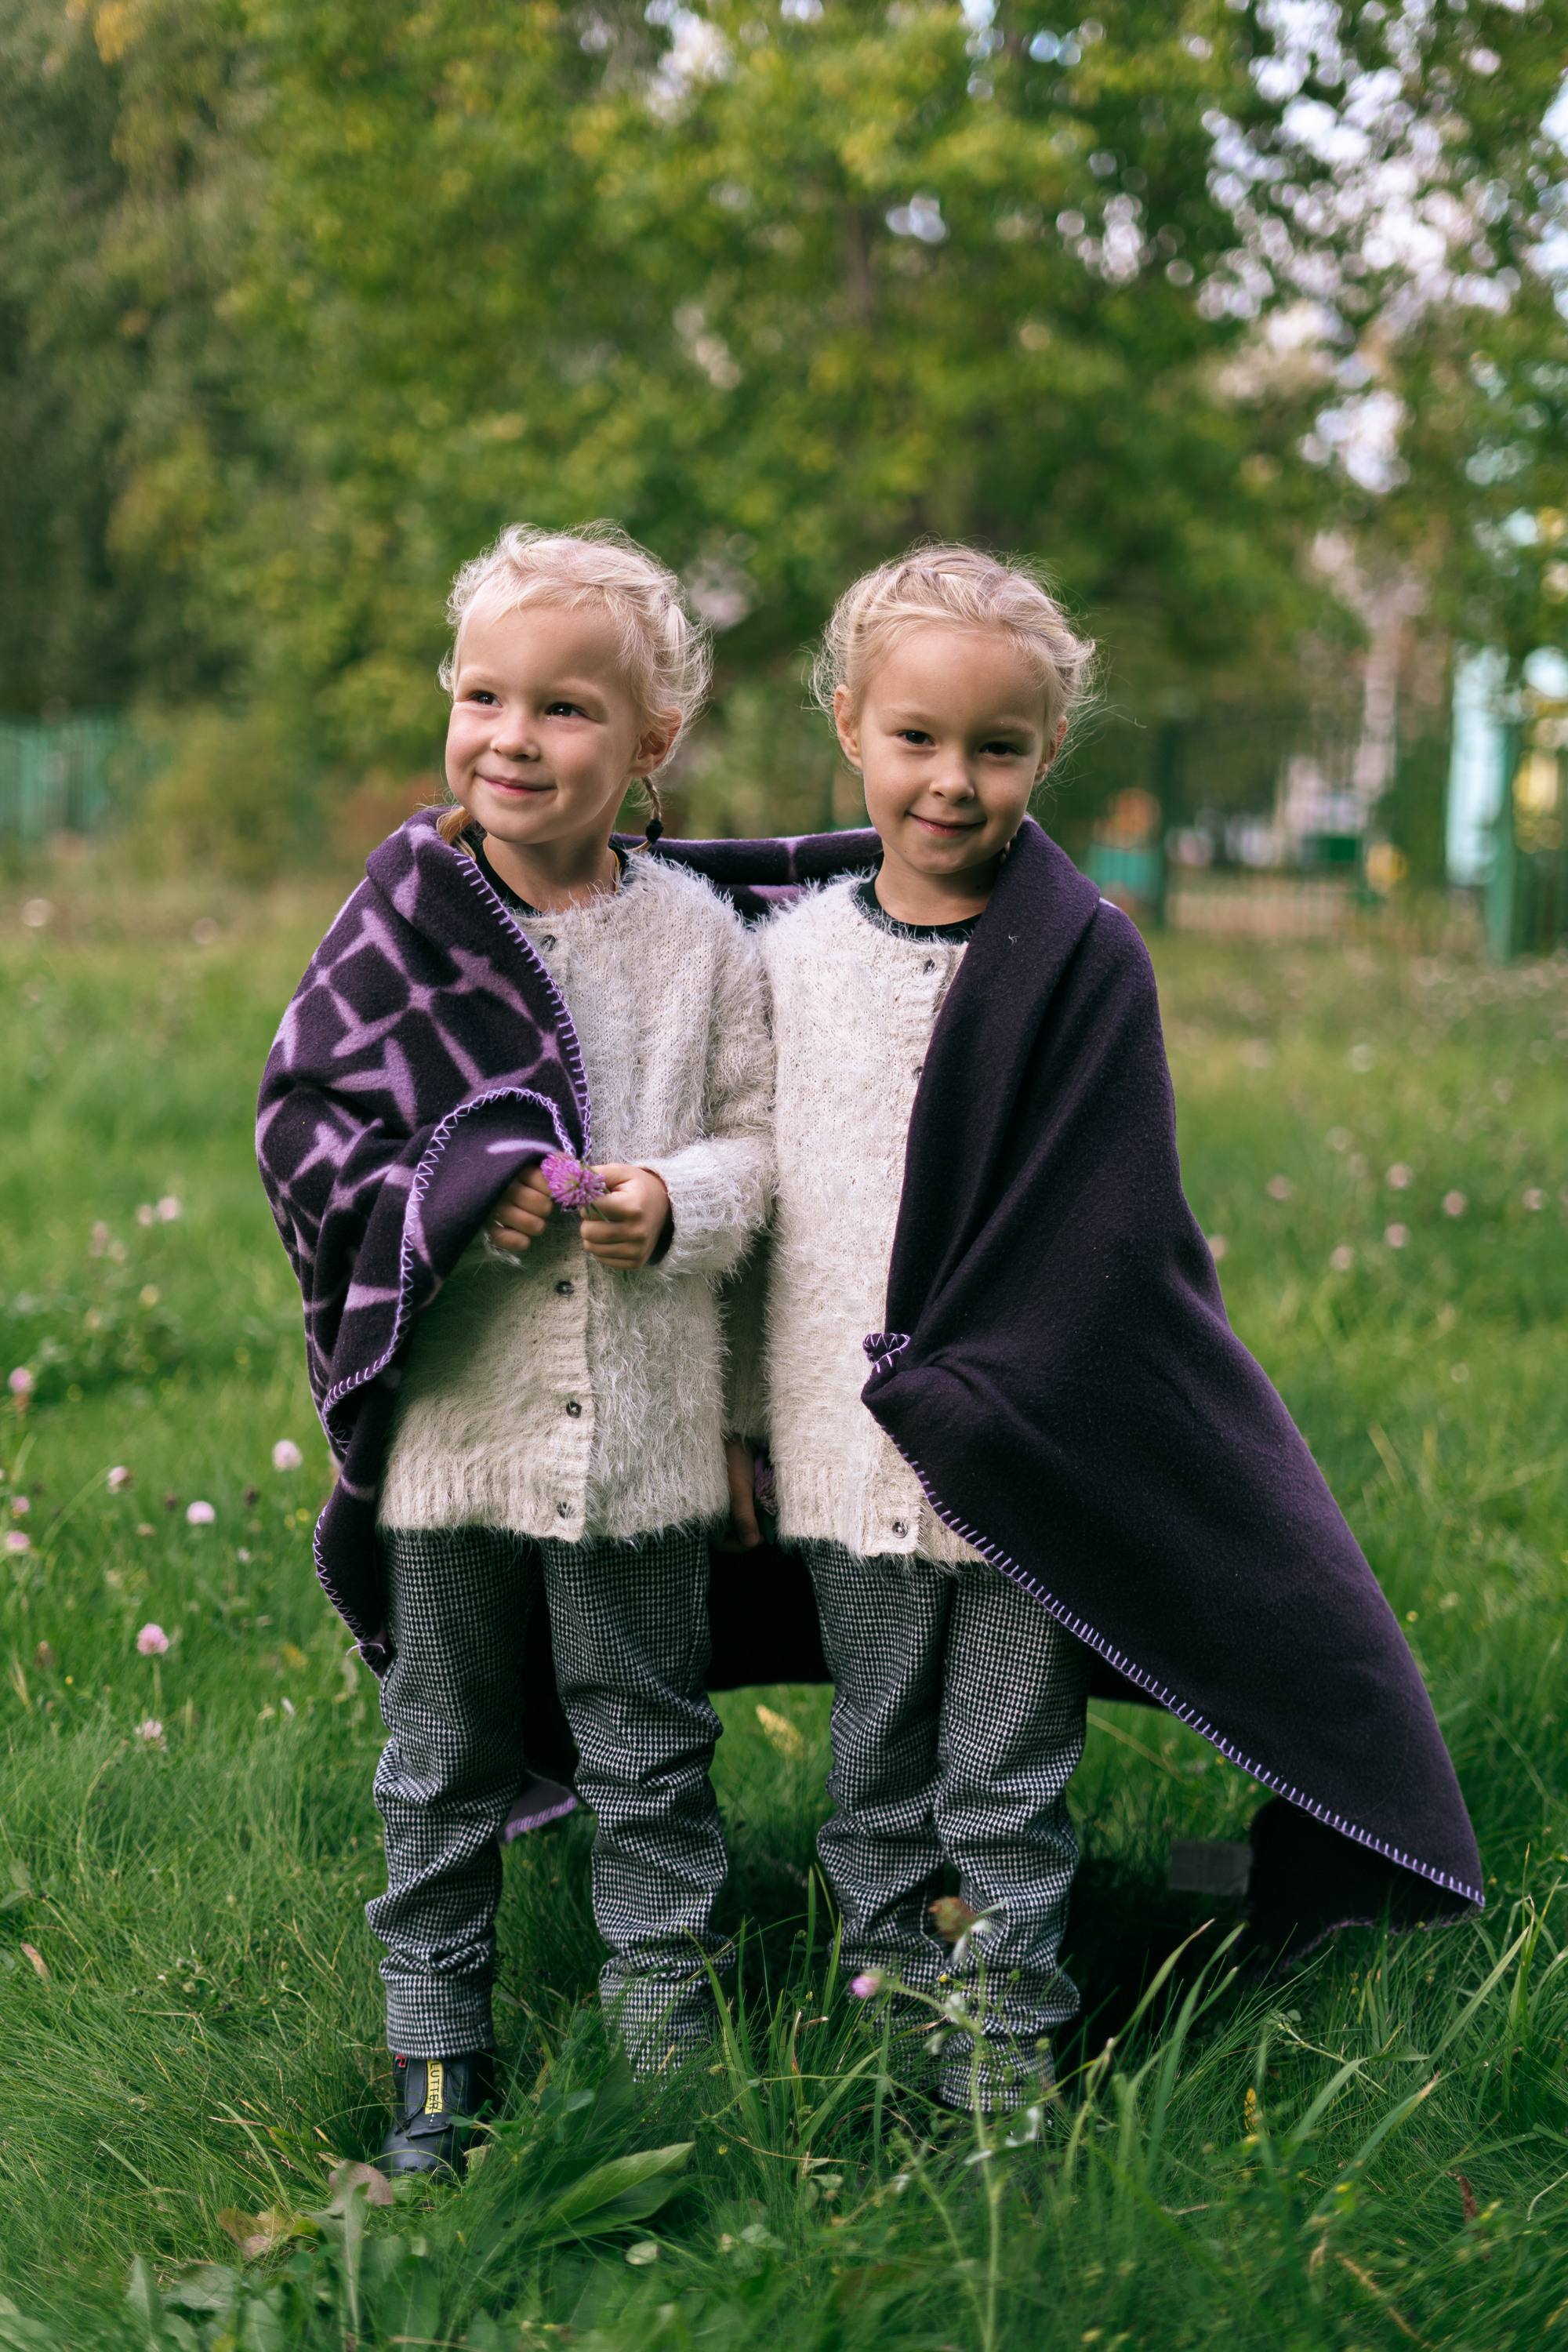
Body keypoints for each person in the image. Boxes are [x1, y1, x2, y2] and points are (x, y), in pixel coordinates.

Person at [734, 543, 1482, 2114]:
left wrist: (1012, 1406)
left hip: (1022, 1475)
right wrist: (738, 1425)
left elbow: (1110, 1229)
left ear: (1045, 757)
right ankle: (887, 2029)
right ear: (847, 724)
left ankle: (999, 2064)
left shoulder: (1078, 963)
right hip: (835, 1458)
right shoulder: (785, 963)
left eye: (996, 749)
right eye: (915, 739)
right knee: (876, 1771)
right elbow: (760, 1219)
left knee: (1003, 1778)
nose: (951, 781)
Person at [257, 524, 772, 2174]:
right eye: (483, 696)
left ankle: (661, 2053)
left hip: (643, 1453)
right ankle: (434, 2056)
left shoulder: (698, 942)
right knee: (441, 1760)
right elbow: (309, 1119)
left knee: (650, 1750)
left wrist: (672, 1198)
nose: (511, 737)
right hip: (455, 1445)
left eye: (563, 709)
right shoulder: (409, 917)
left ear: (649, 749)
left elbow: (765, 1151)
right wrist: (449, 1198)